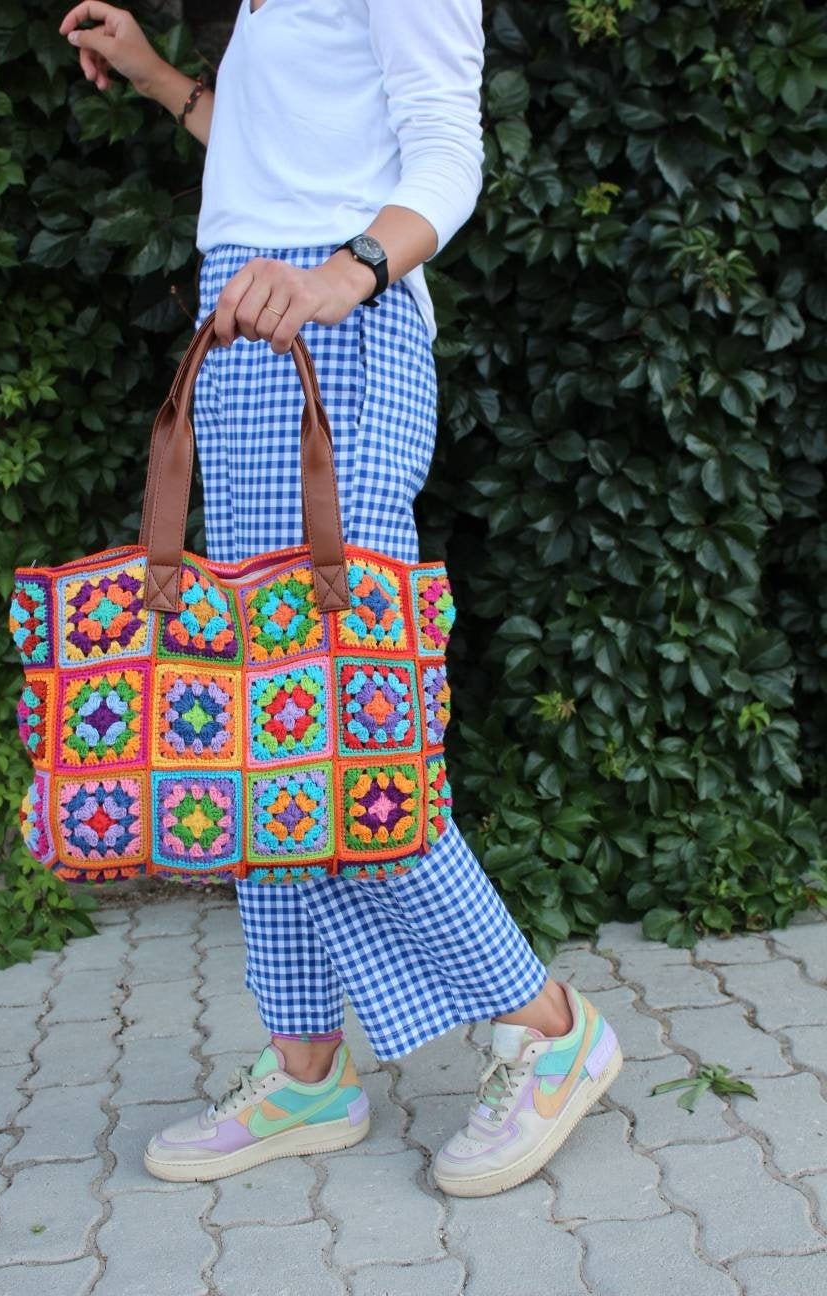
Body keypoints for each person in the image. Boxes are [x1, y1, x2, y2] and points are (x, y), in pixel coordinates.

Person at [58, 0, 623, 1198]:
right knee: (266, 733)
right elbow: (276, 161)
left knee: (342, 733)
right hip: (254, 340)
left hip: (338, 346)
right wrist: (157, 75)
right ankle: (309, 1069)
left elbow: (445, 157)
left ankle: (550, 1026)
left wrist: (347, 275)